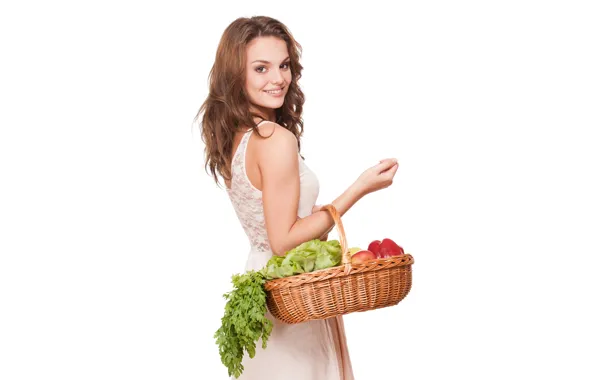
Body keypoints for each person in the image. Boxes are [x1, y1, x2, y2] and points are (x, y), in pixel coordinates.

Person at [195, 15, 399, 380]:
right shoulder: (274, 139)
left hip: (265, 289)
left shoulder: (237, 136)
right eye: (261, 68)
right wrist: (359, 189)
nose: (278, 79)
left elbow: (272, 228)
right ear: (235, 75)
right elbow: (284, 239)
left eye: (284, 65)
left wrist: (313, 220)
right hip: (293, 299)